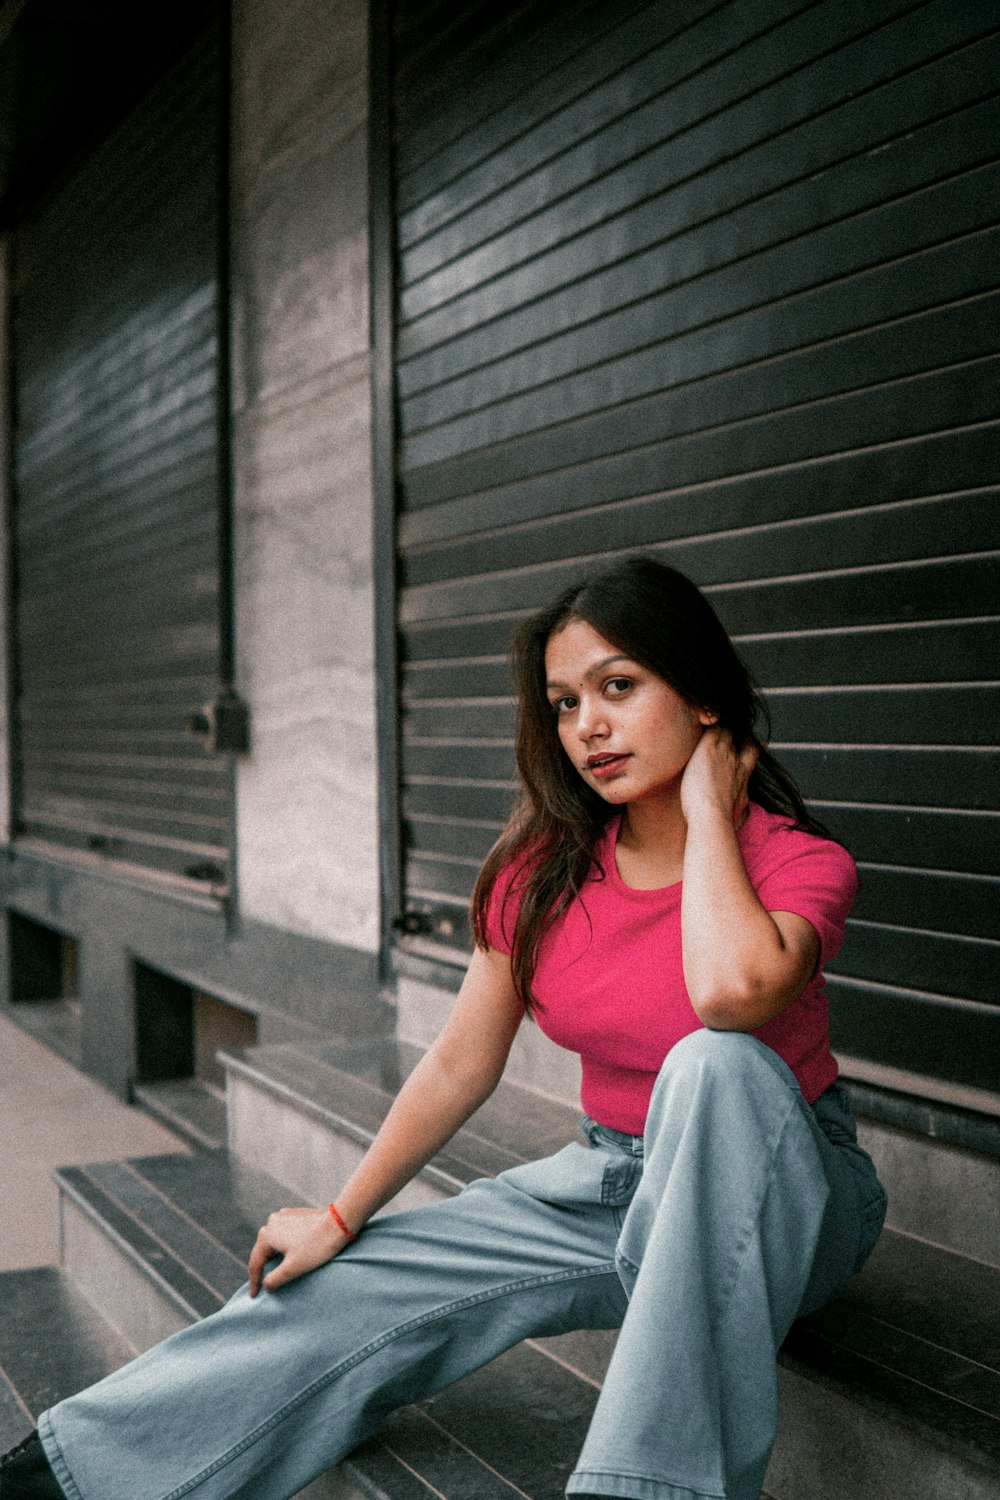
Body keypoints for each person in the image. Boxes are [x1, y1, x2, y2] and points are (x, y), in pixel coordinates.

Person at [1, 556, 887, 1500]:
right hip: (615, 1179)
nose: (587, 726)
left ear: (703, 696)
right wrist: (341, 1217)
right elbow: (462, 1062)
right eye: (563, 702)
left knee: (717, 1067)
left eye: (617, 688)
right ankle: (76, 1474)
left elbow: (729, 997)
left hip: (790, 1191)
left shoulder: (795, 861)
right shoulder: (544, 873)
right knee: (355, 1281)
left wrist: (712, 812)